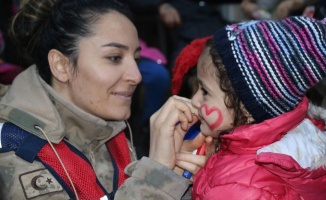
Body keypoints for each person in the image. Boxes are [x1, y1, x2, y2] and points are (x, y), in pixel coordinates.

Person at [0, 0, 214, 199]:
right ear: (61, 65)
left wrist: (175, 176)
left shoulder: (105, 124)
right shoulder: (13, 147)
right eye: (114, 58)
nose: (137, 76)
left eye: (136, 59)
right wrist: (156, 175)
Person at [173, 16, 326, 199]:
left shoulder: (235, 189)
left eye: (205, 91)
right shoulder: (298, 141)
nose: (195, 101)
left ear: (247, 107)